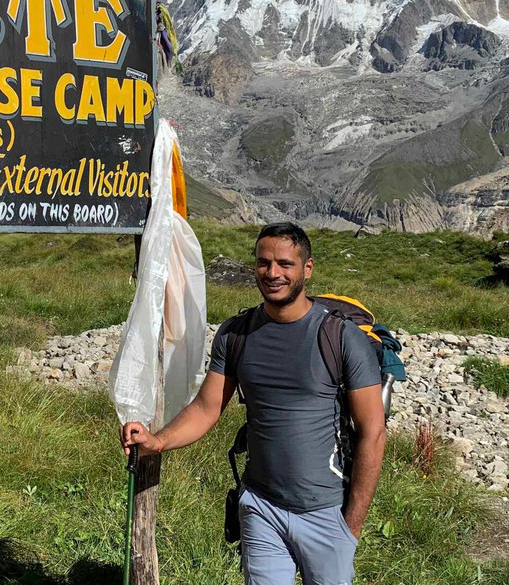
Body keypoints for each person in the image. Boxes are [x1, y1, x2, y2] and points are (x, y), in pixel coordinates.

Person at [121, 222, 386, 585]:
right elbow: (206, 408)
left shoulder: (341, 338)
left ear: (307, 268)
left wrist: (350, 527)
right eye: (263, 263)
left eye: (284, 263)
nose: (272, 273)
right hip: (261, 507)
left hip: (326, 513)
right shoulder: (235, 334)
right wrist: (158, 441)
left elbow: (373, 432)